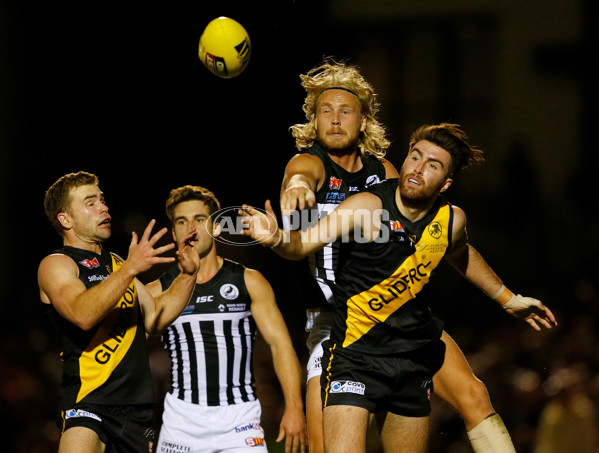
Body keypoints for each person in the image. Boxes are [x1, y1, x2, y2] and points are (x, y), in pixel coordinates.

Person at [240, 122, 557, 453]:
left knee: (474, 395)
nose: (418, 169)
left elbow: (460, 252)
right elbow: (301, 243)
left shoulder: (451, 220)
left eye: (432, 165)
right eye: (415, 157)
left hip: (410, 356)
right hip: (356, 353)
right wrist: (276, 237)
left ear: (446, 182)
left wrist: (508, 299)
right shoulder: (366, 207)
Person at [38, 171, 200, 453]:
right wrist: (129, 269)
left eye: (102, 200)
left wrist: (188, 275)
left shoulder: (115, 264)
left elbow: (155, 317)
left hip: (137, 409)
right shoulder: (57, 264)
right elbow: (81, 314)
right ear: (66, 220)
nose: (104, 207)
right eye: (91, 203)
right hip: (87, 404)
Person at [145, 185, 307, 453]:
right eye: (182, 222)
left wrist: (294, 408)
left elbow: (280, 346)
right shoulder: (158, 290)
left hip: (240, 422)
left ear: (216, 227)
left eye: (199, 219)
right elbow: (128, 354)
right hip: (180, 424)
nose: (191, 229)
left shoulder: (249, 281)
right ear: (173, 233)